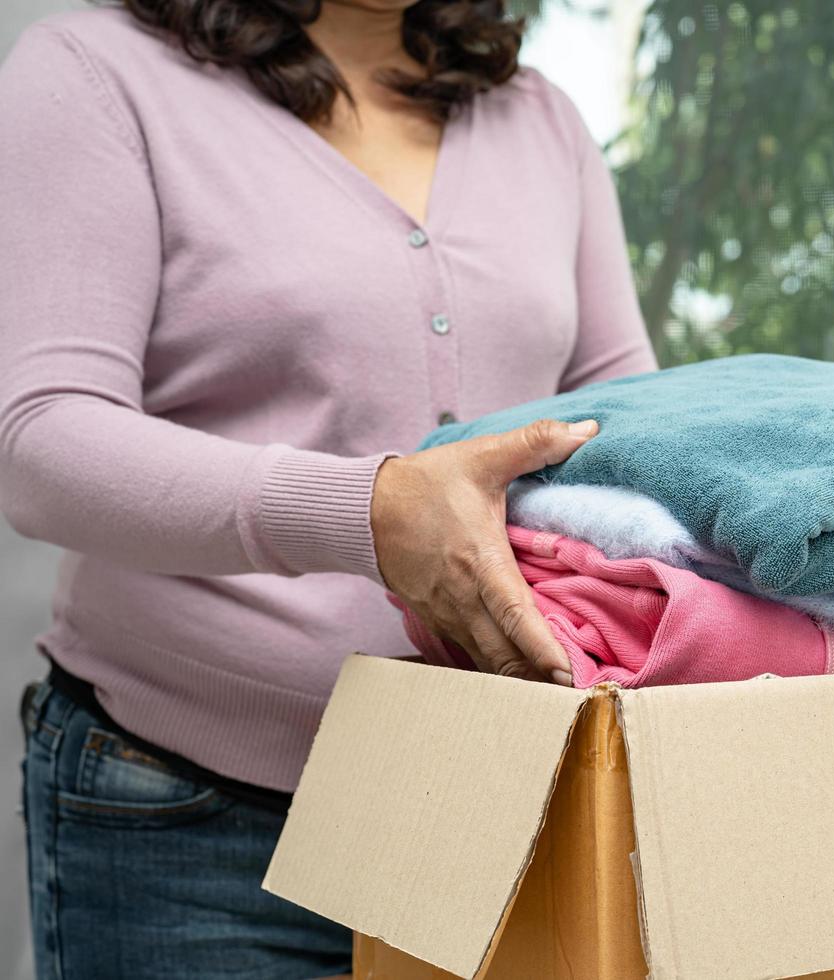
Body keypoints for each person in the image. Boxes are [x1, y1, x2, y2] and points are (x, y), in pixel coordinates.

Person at [0, 0, 656, 974]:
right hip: (191, 818)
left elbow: (632, 424)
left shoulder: (540, 120)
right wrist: (370, 511)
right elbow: (42, 442)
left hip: (493, 814)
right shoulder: (97, 71)